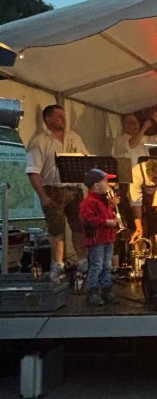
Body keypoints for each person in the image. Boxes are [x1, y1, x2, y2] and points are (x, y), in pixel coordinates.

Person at [25, 103, 89, 279]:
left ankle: (83, 262)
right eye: (58, 116)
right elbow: (33, 172)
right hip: (53, 190)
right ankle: (58, 265)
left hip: (75, 189)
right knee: (56, 229)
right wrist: (43, 196)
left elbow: (86, 160)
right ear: (48, 119)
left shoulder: (74, 137)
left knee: (79, 226)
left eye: (64, 115)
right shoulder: (40, 141)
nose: (63, 119)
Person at [79, 168, 121, 307]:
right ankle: (93, 292)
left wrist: (114, 215)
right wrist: (106, 222)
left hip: (107, 238)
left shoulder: (104, 200)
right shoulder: (89, 202)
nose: (108, 184)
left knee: (107, 265)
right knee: (97, 265)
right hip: (97, 239)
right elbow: (87, 219)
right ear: (96, 185)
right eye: (106, 181)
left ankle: (106, 289)